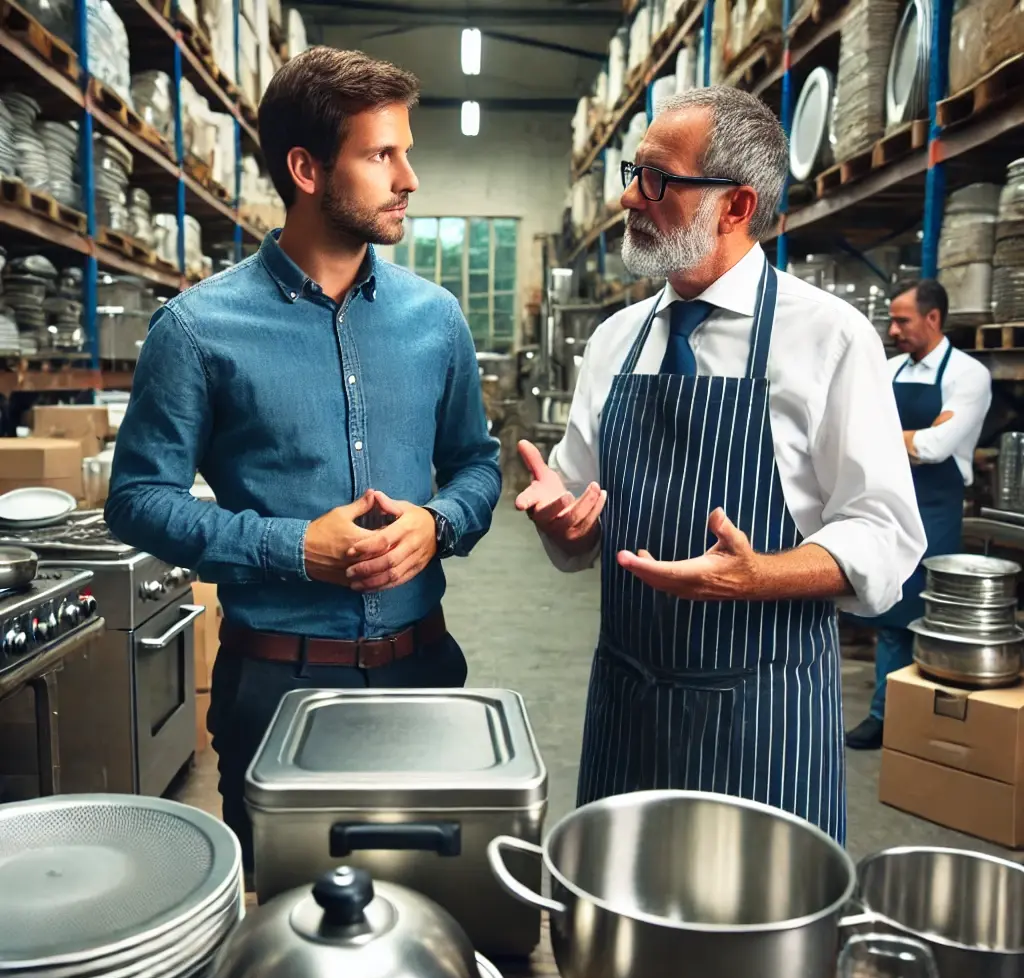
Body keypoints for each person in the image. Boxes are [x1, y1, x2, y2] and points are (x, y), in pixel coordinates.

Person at [106, 47, 501, 867]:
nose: (409, 178)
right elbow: (138, 497)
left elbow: (477, 465)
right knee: (292, 928)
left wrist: (440, 523)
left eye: (407, 152)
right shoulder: (196, 329)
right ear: (306, 168)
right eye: (381, 154)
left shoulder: (436, 319)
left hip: (422, 671)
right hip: (276, 687)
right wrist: (293, 548)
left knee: (429, 908)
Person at [515, 86, 926, 845]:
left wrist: (758, 577)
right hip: (628, 705)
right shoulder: (617, 341)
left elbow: (886, 535)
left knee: (759, 944)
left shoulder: (828, 339)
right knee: (624, 933)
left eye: (658, 180)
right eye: (634, 175)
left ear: (736, 206)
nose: (632, 199)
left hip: (764, 715)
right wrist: (562, 523)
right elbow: (580, 529)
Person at [845, 280, 992, 750]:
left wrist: (890, 436)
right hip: (887, 501)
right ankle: (884, 715)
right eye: (891, 320)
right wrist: (909, 438)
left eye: (902, 320)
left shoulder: (968, 375)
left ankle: (927, 718)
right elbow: (855, 432)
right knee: (888, 613)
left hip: (936, 508)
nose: (892, 330)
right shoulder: (886, 370)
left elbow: (935, 448)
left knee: (926, 615)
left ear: (933, 318)